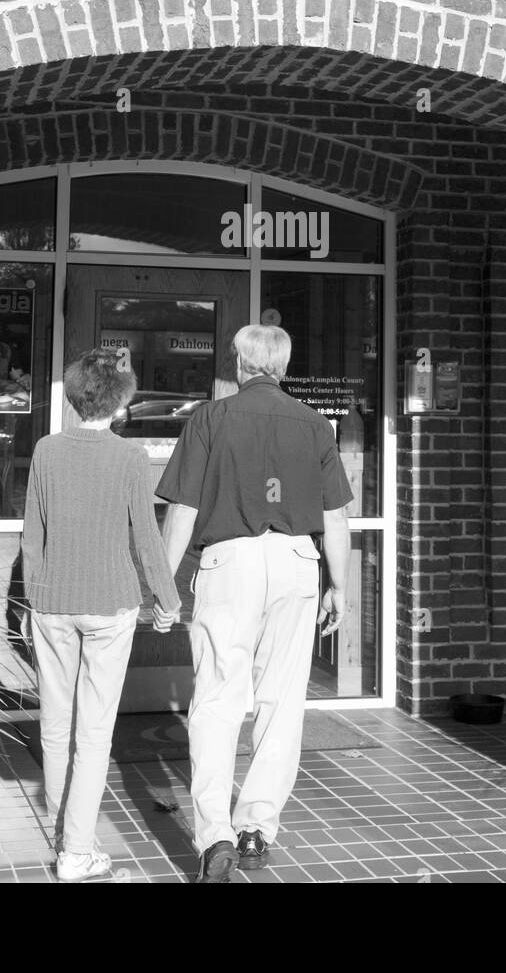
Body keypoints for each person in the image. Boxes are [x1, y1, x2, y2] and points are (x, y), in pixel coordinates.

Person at [155, 323, 353, 884]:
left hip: (229, 561)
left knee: (217, 699)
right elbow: (336, 517)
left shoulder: (210, 419)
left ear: (240, 366)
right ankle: (255, 829)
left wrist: (163, 585)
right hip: (296, 563)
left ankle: (214, 832)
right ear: (284, 368)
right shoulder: (315, 424)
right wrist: (342, 587)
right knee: (282, 700)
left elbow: (184, 510)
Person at [22, 347, 181, 883]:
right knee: (93, 733)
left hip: (52, 600)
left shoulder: (46, 450)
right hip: (110, 605)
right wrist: (168, 598)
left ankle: (61, 824)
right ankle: (76, 850)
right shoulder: (130, 458)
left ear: (73, 396)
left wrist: (31, 595)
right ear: (119, 405)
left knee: (55, 722)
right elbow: (146, 538)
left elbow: (32, 534)